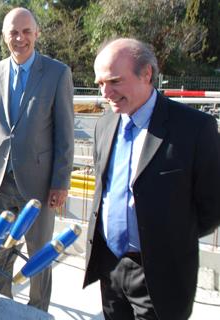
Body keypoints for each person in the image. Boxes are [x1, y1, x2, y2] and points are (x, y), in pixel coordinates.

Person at [83, 38, 220, 320]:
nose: (105, 92)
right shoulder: (105, 124)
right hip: (110, 267)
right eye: (99, 84)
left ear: (146, 74)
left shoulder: (194, 129)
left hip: (162, 274)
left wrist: (168, 241)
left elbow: (212, 207)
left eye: (115, 81)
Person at [0, 7, 74, 311]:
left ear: (36, 34)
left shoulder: (57, 73)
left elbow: (65, 133)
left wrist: (60, 182)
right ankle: (3, 307)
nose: (20, 38)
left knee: (39, 255)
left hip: (39, 184)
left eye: (26, 31)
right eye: (13, 33)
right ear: (4, 36)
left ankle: (37, 311)